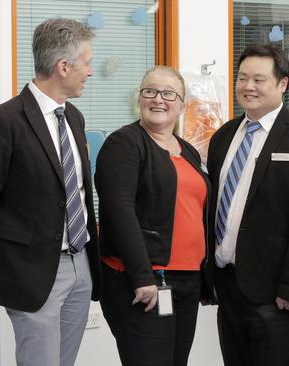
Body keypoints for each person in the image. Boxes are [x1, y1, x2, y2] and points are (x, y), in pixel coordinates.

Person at [0, 18, 99, 366]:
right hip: (32, 271)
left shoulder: (75, 118)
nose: (91, 72)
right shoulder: (3, 122)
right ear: (62, 67)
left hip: (80, 264)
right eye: (87, 63)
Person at [206, 43, 289, 366]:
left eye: (259, 79)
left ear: (282, 84)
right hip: (228, 286)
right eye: (243, 78)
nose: (248, 86)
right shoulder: (223, 137)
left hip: (275, 294)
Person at [95, 66, 212, 366]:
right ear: (140, 98)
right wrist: (142, 277)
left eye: (168, 94)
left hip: (186, 281)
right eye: (150, 91)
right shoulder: (124, 144)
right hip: (146, 282)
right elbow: (119, 212)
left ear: (182, 105)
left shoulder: (187, 151)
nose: (158, 99)